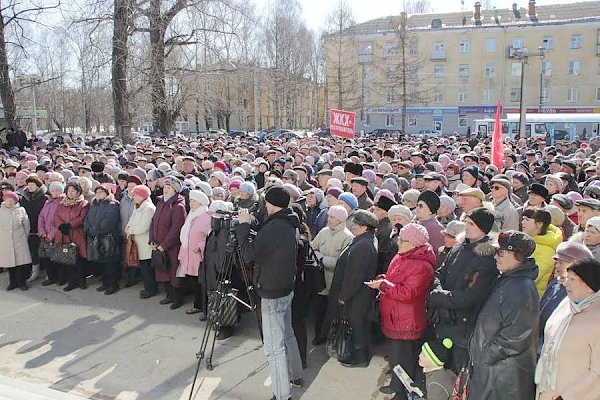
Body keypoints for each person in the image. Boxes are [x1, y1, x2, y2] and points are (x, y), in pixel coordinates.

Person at [236, 186, 303, 400]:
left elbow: (248, 253)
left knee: (274, 348)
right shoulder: (289, 221)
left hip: (272, 291)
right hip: (285, 286)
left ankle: (282, 395)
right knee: (288, 333)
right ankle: (295, 375)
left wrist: (243, 226)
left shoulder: (275, 226)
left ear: (271, 203)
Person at [367, 223, 435, 400]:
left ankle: (403, 392)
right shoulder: (402, 256)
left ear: (414, 244)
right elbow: (394, 281)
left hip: (407, 320)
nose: (398, 242)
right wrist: (383, 279)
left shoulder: (422, 266)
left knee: (404, 359)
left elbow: (408, 293)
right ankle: (397, 387)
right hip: (396, 315)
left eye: (403, 240)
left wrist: (384, 285)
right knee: (397, 357)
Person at [468, 230, 539, 400]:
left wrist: (485, 356)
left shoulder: (522, 288)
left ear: (518, 256)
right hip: (493, 371)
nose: (495, 257)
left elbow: (516, 336)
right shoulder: (508, 279)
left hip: (504, 377)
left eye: (500, 252)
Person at [428, 207, 498, 373]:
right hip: (443, 321)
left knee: (456, 375)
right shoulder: (458, 248)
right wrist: (438, 290)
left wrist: (438, 296)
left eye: (472, 224)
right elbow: (440, 273)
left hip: (463, 328)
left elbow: (469, 298)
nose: (466, 227)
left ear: (483, 228)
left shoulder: (487, 258)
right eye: (466, 222)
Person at [535, 258, 600, 400]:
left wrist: (566, 396)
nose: (565, 283)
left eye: (572, 279)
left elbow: (597, 373)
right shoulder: (566, 305)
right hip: (547, 391)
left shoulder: (597, 319)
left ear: (589, 285)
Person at [324, 209, 379, 368]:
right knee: (358, 326)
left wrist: (344, 296)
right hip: (359, 295)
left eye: (356, 224)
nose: (353, 226)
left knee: (356, 327)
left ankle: (358, 358)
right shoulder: (366, 240)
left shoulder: (363, 245)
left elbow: (355, 276)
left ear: (365, 227)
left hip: (356, 297)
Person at [538, 242, 592, 354]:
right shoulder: (555, 283)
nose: (557, 266)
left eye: (561, 263)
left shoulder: (581, 294)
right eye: (557, 262)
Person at [310, 205, 354, 345]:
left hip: (335, 281)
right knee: (319, 310)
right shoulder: (324, 231)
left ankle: (330, 336)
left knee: (332, 311)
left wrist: (322, 260)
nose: (329, 219)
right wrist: (319, 257)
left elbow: (342, 262)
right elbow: (313, 247)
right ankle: (319, 334)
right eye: (329, 216)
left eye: (332, 217)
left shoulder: (348, 237)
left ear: (340, 219)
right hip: (319, 279)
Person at [150, 175, 187, 308]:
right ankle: (169, 295)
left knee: (174, 273)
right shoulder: (160, 202)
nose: (166, 189)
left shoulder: (178, 207)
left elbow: (176, 229)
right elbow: (153, 222)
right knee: (163, 271)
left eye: (169, 187)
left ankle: (178, 299)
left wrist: (164, 245)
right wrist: (152, 241)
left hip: (172, 247)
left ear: (175, 190)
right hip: (158, 244)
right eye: (165, 187)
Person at [177, 190, 211, 317]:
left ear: (201, 202)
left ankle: (203, 307)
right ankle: (198, 304)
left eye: (193, 201)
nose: (190, 203)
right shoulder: (192, 215)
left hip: (199, 256)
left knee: (201, 282)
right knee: (193, 281)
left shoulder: (207, 216)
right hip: (189, 254)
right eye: (190, 200)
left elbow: (210, 237)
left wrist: (200, 246)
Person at [84, 185, 122, 295]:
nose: (99, 194)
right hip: (95, 237)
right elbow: (87, 219)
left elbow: (109, 222)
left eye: (101, 192)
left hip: (108, 237)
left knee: (110, 262)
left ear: (107, 193)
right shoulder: (94, 205)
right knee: (100, 260)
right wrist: (88, 229)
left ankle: (112, 284)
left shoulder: (112, 205)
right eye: (97, 192)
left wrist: (95, 230)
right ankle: (105, 282)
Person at [53, 181, 89, 291]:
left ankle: (81, 280)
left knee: (79, 258)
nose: (71, 193)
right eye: (69, 191)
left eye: (73, 191)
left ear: (79, 192)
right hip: (64, 234)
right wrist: (61, 226)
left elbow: (82, 217)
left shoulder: (83, 203)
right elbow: (56, 216)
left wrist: (70, 225)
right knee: (67, 258)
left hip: (77, 233)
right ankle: (71, 282)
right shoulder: (62, 203)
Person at [125, 184, 157, 298]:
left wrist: (132, 231)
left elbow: (145, 226)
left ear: (142, 196)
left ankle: (151, 289)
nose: (133, 197)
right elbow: (131, 220)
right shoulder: (137, 206)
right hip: (137, 241)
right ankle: (148, 288)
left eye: (135, 195)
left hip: (144, 243)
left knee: (147, 268)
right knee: (143, 268)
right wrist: (128, 229)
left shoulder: (149, 208)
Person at [521, 208, 562, 297]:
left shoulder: (547, 251)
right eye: (523, 219)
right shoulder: (527, 241)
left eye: (527, 220)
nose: (523, 222)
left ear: (539, 224)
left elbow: (534, 276)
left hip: (529, 297)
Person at [0, 190, 32, 291]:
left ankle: (22, 282)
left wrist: (23, 236)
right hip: (5, 240)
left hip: (19, 239)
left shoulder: (21, 210)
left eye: (12, 200)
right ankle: (12, 282)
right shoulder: (1, 210)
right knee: (10, 263)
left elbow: (26, 225)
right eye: (8, 200)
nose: (9, 202)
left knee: (21, 263)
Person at [19, 175, 47, 282]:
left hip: (41, 228)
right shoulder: (24, 198)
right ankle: (35, 271)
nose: (30, 187)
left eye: (32, 185)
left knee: (44, 250)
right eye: (29, 185)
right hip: (28, 228)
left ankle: (46, 271)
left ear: (38, 186)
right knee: (32, 251)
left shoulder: (44, 198)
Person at [38, 181, 65, 286]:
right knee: (47, 258)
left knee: (58, 258)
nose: (56, 193)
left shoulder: (63, 202)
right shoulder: (47, 202)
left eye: (58, 190)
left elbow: (60, 220)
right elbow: (41, 217)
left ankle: (60, 278)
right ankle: (50, 277)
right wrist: (42, 232)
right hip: (45, 234)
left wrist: (52, 234)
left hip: (56, 235)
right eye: (53, 191)